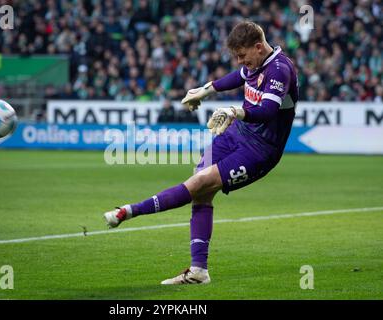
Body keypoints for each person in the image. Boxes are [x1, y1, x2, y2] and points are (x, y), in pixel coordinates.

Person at [103, 21, 299, 285]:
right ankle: (198, 271)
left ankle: (129, 211)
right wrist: (204, 91)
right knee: (200, 185)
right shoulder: (254, 63)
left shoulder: (279, 70)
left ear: (258, 46)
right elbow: (237, 76)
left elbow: (267, 111)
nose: (241, 61)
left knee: (200, 183)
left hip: (261, 149)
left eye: (243, 56)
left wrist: (234, 111)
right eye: (237, 57)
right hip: (235, 134)